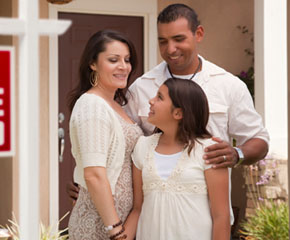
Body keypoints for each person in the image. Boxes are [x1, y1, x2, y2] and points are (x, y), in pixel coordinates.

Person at [68, 3, 269, 227]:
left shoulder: (229, 85)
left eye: (178, 39)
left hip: (208, 221)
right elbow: (118, 144)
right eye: (163, 41)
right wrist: (86, 181)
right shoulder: (141, 88)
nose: (170, 48)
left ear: (198, 34)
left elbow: (259, 141)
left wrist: (237, 153)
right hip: (151, 219)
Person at [130, 78, 230, 239]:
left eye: (159, 97)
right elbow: (137, 208)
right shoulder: (142, 147)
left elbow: (221, 216)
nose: (151, 101)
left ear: (178, 113)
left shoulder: (210, 150)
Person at [67, 29, 143, 240]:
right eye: (113, 60)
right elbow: (93, 174)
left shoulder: (116, 105)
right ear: (93, 63)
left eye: (127, 60)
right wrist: (115, 229)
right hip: (99, 225)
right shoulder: (92, 105)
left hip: (121, 224)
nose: (123, 66)